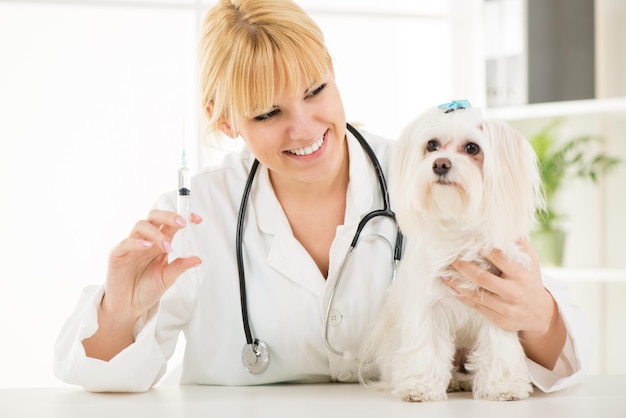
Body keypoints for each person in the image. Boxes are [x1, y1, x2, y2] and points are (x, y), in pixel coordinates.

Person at [54, 0, 591, 393]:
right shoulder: (196, 212)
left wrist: (535, 314)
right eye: (268, 113)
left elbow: (564, 359)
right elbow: (97, 378)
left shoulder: (424, 172)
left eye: (316, 91)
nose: (305, 127)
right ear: (224, 119)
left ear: (334, 73)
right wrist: (120, 311)